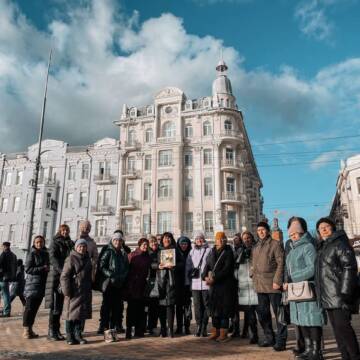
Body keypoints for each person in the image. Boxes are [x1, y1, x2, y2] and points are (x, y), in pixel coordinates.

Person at [315, 217, 360, 360]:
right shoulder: (323, 246)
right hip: (328, 295)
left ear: (332, 228)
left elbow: (349, 266)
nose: (323, 229)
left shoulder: (339, 243)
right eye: (320, 228)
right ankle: (345, 356)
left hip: (339, 295)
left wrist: (345, 292)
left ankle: (354, 356)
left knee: (344, 328)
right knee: (337, 330)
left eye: (326, 226)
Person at [284, 218, 324, 360]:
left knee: (312, 321)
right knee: (302, 321)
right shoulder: (292, 250)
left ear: (302, 232)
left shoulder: (308, 247)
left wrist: (293, 277)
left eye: (296, 233)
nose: (293, 236)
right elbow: (287, 271)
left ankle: (316, 352)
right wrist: (286, 282)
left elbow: (313, 268)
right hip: (296, 292)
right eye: (290, 234)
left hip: (308, 289)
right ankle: (308, 349)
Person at [251, 221, 287, 351]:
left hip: (273, 285)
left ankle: (281, 341)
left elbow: (281, 263)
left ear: (268, 231)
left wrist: (277, 280)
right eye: (259, 230)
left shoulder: (275, 244)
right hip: (259, 285)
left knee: (279, 314)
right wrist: (251, 274)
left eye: (263, 230)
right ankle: (269, 338)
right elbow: (253, 263)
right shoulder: (256, 247)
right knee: (263, 314)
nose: (260, 232)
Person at [202, 231, 235, 342]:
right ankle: (215, 331)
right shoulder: (211, 252)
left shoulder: (228, 252)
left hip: (225, 286)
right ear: (215, 240)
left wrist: (214, 279)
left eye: (222, 239)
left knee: (224, 311)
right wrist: (204, 277)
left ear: (225, 240)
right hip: (213, 287)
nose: (220, 241)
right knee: (214, 310)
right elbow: (206, 266)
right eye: (218, 239)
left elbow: (227, 269)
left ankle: (223, 333)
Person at [97, 233, 129, 343]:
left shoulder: (122, 253)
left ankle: (113, 331)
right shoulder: (108, 251)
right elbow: (101, 266)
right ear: (112, 241)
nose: (117, 242)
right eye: (115, 240)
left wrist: (123, 275)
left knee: (116, 308)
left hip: (119, 284)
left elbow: (126, 267)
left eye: (119, 241)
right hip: (110, 284)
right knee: (107, 307)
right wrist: (111, 274)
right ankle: (104, 328)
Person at [60, 238, 92, 345]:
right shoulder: (71, 259)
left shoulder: (88, 258)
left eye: (84, 246)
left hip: (84, 291)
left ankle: (78, 335)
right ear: (76, 247)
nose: (82, 248)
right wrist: (67, 291)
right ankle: (69, 336)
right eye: (80, 246)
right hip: (73, 291)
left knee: (80, 314)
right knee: (70, 314)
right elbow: (64, 276)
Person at [45, 224, 74, 341]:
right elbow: (53, 259)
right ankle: (51, 331)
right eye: (63, 230)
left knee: (60, 304)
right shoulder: (55, 243)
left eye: (67, 230)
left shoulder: (71, 243)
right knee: (55, 305)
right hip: (56, 277)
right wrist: (63, 271)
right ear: (59, 231)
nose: (65, 232)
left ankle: (56, 330)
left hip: (66, 276)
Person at [23, 235, 50, 339]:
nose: (39, 244)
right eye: (37, 242)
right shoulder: (32, 254)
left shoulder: (45, 254)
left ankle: (30, 329)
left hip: (41, 285)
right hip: (32, 285)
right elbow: (28, 269)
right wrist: (42, 268)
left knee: (34, 309)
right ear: (34, 243)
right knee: (29, 308)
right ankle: (26, 330)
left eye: (41, 242)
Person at [234, 231, 258, 344]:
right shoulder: (240, 251)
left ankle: (263, 334)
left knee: (261, 312)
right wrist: (237, 275)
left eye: (248, 238)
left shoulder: (257, 248)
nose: (246, 240)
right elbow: (235, 266)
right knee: (249, 312)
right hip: (244, 284)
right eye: (244, 238)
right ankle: (253, 334)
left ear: (252, 238)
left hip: (256, 283)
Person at [185, 230, 211, 337]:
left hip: (206, 283)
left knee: (206, 305)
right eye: (197, 239)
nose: (199, 240)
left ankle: (204, 326)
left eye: (200, 238)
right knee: (197, 306)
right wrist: (187, 281)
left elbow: (211, 265)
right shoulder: (191, 252)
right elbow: (188, 267)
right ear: (194, 240)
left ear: (203, 239)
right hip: (195, 283)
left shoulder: (209, 250)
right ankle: (199, 325)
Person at [124, 238, 151, 339]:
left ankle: (139, 330)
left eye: (146, 245)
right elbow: (127, 269)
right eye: (143, 244)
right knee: (131, 309)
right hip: (132, 286)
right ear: (139, 245)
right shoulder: (133, 255)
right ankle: (128, 329)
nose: (145, 246)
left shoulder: (148, 257)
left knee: (141, 309)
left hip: (143, 286)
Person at [156, 232, 177, 337]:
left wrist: (174, 266)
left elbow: (182, 263)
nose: (167, 240)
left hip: (172, 281)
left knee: (170, 306)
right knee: (161, 306)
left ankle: (170, 329)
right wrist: (158, 266)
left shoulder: (175, 250)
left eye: (169, 238)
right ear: (162, 240)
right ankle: (163, 328)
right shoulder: (158, 250)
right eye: (165, 238)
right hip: (161, 281)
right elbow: (152, 263)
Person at [175, 236, 192, 335]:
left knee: (187, 307)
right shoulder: (176, 253)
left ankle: (187, 326)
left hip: (188, 284)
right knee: (178, 307)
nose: (184, 245)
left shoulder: (191, 253)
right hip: (178, 284)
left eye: (185, 243)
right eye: (182, 243)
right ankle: (179, 327)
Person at [146, 236, 160, 335]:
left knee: (155, 306)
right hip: (148, 281)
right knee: (147, 306)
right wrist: (157, 266)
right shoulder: (147, 253)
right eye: (151, 242)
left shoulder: (160, 252)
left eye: (155, 242)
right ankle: (145, 326)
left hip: (157, 280)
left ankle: (152, 326)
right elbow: (148, 264)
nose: (154, 244)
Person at [230, 232, 243, 338]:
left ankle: (244, 330)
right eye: (234, 239)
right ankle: (235, 328)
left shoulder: (241, 250)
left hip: (241, 280)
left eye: (237, 239)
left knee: (246, 308)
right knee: (234, 307)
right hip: (233, 281)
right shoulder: (232, 250)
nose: (235, 241)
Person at [0, 241, 17, 317]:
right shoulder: (14, 255)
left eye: (2, 246)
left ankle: (6, 311)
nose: (2, 248)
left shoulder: (4, 254)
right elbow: (15, 267)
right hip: (9, 277)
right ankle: (5, 310)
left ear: (4, 246)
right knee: (6, 294)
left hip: (2, 277)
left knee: (5, 294)